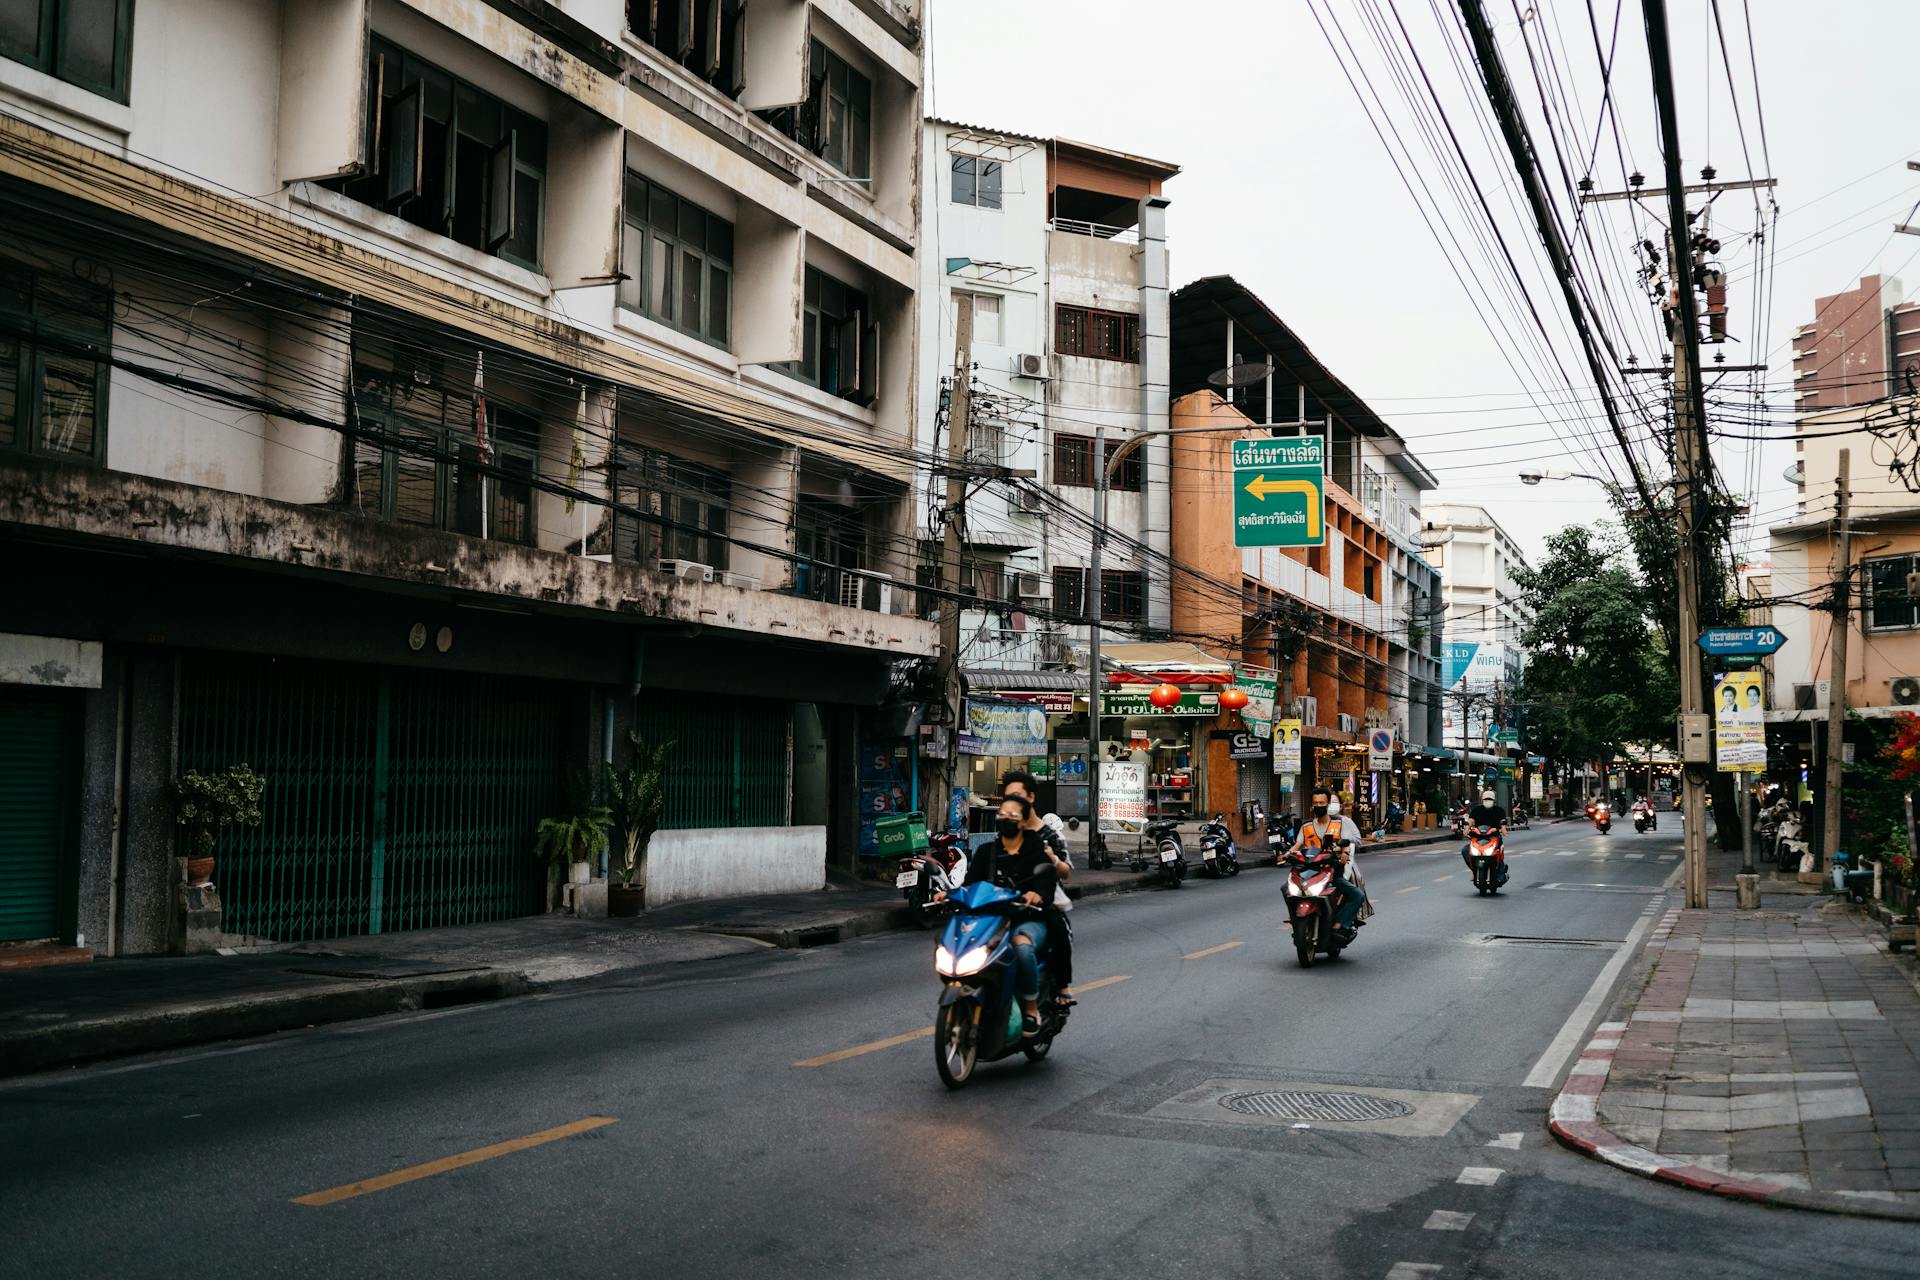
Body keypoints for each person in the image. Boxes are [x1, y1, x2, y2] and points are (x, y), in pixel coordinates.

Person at [939, 794, 1058, 1037]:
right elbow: (970, 885)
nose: (1005, 819)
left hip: (1027, 919)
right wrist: (948, 895)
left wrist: (1036, 895)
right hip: (991, 920)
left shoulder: (1036, 852)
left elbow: (1046, 887)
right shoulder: (986, 852)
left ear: (1024, 822)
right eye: (1002, 814)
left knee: (1022, 949)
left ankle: (1031, 1008)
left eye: (1012, 815)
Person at [1000, 769, 1074, 1004]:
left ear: (1030, 798)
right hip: (1006, 904)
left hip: (1042, 905)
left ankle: (1055, 991)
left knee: (1052, 933)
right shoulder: (1005, 831)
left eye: (1017, 795)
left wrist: (1052, 859)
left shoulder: (1050, 835)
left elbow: (1066, 871)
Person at [1289, 785, 1368, 937]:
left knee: (1357, 895)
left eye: (1322, 803)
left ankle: (1341, 923)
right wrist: (1287, 854)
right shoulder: (1306, 825)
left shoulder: (1340, 823)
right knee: (1285, 889)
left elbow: (1347, 841)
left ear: (1328, 804)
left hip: (1331, 871)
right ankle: (1295, 921)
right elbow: (1297, 845)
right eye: (1316, 803)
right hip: (1309, 872)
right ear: (1312, 805)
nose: (1319, 806)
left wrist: (1344, 853)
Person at [1463, 788, 1509, 885]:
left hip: (1494, 837)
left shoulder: (1499, 811)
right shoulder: (1477, 810)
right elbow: (1470, 820)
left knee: (1498, 854)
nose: (1488, 801)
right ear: (1482, 800)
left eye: (1490, 799)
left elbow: (1503, 822)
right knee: (1465, 850)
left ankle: (1501, 875)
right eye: (1486, 799)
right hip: (1478, 837)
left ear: (1494, 801)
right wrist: (1467, 828)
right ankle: (1474, 869)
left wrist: (1503, 829)